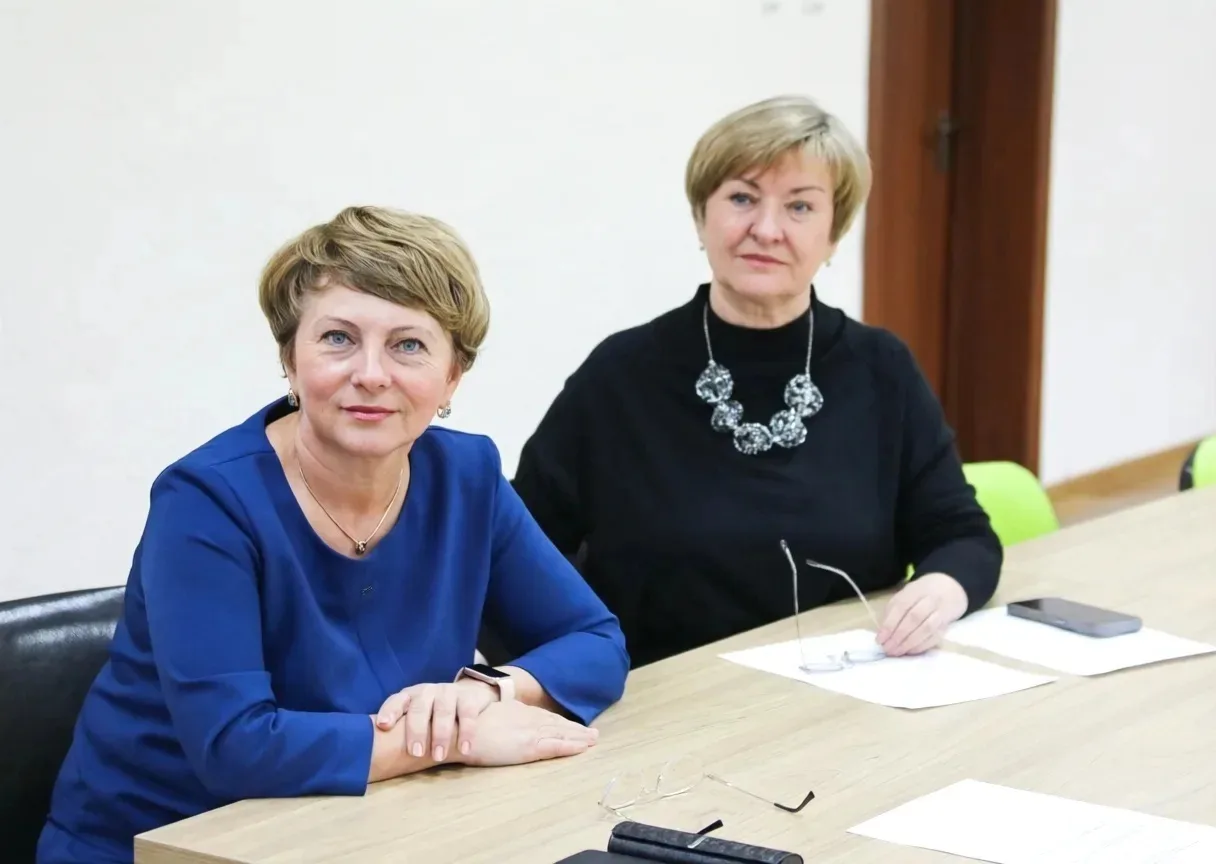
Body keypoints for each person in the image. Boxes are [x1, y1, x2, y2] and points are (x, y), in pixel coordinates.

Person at [37, 206, 629, 864]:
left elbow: (595, 641)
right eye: (339, 338)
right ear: (290, 361)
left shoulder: (468, 476)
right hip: (170, 844)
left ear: (452, 376)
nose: (371, 373)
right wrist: (456, 739)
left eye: (408, 345)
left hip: (361, 829)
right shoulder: (204, 502)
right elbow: (235, 747)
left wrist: (480, 695)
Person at [511, 95, 1003, 669]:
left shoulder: (880, 368)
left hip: (849, 683)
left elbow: (963, 535)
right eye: (742, 198)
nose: (766, 230)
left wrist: (943, 587)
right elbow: (515, 550)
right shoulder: (620, 374)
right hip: (664, 693)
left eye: (800, 207)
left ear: (834, 235)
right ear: (701, 217)